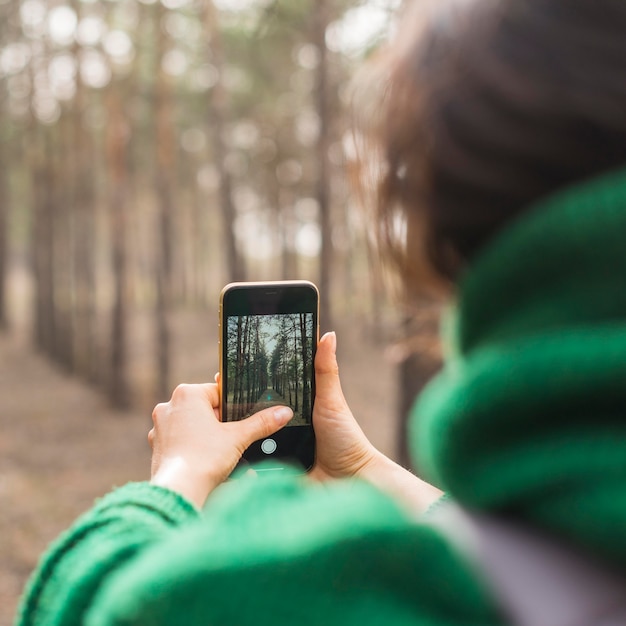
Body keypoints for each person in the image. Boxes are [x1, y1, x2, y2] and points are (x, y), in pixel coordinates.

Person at [16, 0, 626, 624]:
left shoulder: (344, 594)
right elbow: (546, 545)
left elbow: (96, 605)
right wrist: (362, 466)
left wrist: (175, 477)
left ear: (440, 230)